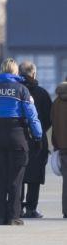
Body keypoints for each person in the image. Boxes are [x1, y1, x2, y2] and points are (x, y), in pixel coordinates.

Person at [0, 58, 42, 226]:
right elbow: (31, 115)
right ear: (15, 72)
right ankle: (13, 216)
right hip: (17, 138)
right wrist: (38, 136)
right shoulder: (22, 90)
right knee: (15, 179)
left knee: (1, 179)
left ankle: (1, 217)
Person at [19, 61, 52, 219]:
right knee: (35, 175)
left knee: (18, 174)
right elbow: (48, 118)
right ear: (34, 74)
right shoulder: (42, 93)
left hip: (19, 137)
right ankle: (31, 208)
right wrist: (39, 131)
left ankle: (17, 207)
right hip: (37, 140)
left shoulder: (16, 92)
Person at [51, 79, 67, 219]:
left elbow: (54, 124)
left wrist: (56, 143)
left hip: (62, 147)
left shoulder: (56, 102)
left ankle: (66, 210)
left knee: (66, 180)